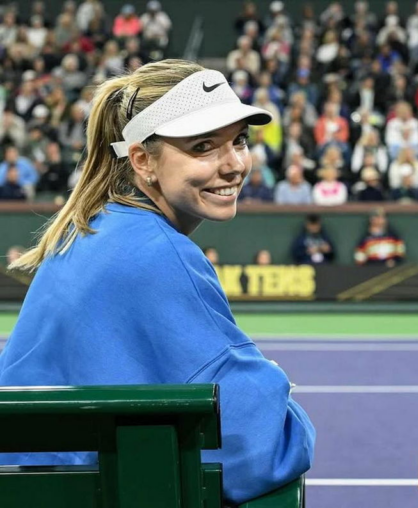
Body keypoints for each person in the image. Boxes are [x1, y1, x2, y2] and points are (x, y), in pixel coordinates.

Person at [0, 60, 315, 504]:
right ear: (143, 160)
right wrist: (286, 401)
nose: (234, 165)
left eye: (239, 141)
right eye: (203, 146)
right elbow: (264, 450)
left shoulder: (91, 228)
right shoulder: (159, 253)